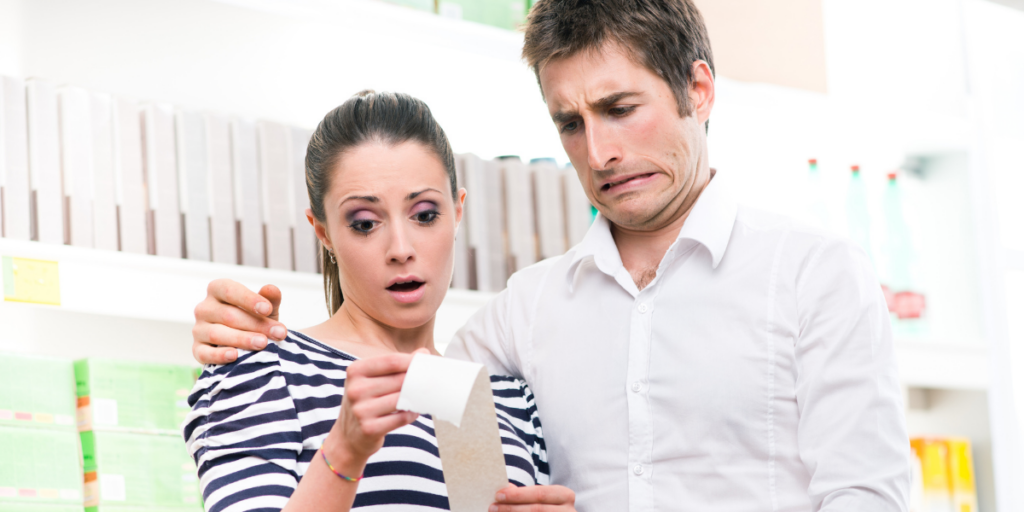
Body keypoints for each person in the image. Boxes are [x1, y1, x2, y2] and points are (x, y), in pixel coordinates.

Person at [190, 1, 912, 510]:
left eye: (621, 109)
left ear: (699, 89)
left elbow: (865, 495)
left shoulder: (814, 276)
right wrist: (241, 333)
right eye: (570, 122)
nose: (599, 152)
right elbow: (407, 386)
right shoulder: (522, 319)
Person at [183, 91, 576, 512]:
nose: (400, 248)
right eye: (365, 223)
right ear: (324, 232)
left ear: (458, 212)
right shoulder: (265, 371)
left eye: (425, 214)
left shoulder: (508, 399)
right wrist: (343, 453)